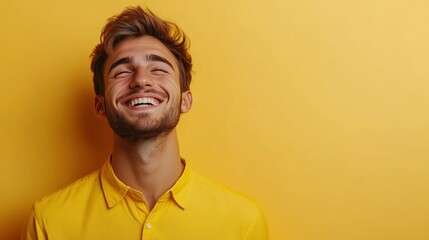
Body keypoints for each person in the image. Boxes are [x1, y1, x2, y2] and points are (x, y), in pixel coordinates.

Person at [22, 6, 268, 240]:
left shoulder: (243, 222)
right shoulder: (48, 221)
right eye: (121, 72)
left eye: (159, 69)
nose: (141, 80)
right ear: (100, 106)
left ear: (185, 100)